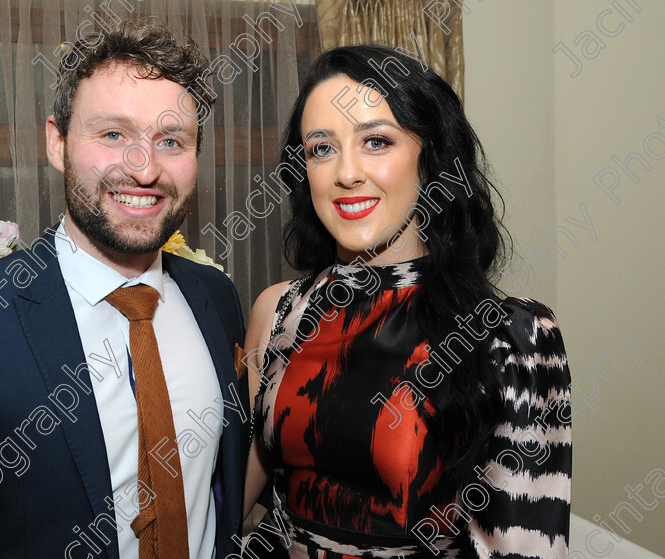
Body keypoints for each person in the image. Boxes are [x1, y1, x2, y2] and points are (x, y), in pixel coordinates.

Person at [0, 20, 250, 559]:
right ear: (57, 141)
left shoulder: (216, 299)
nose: (143, 168)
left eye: (170, 140)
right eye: (113, 134)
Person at [242, 45, 572, 558]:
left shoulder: (512, 335)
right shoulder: (280, 311)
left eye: (376, 141)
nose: (346, 173)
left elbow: (528, 546)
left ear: (431, 157)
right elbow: (239, 499)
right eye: (321, 148)